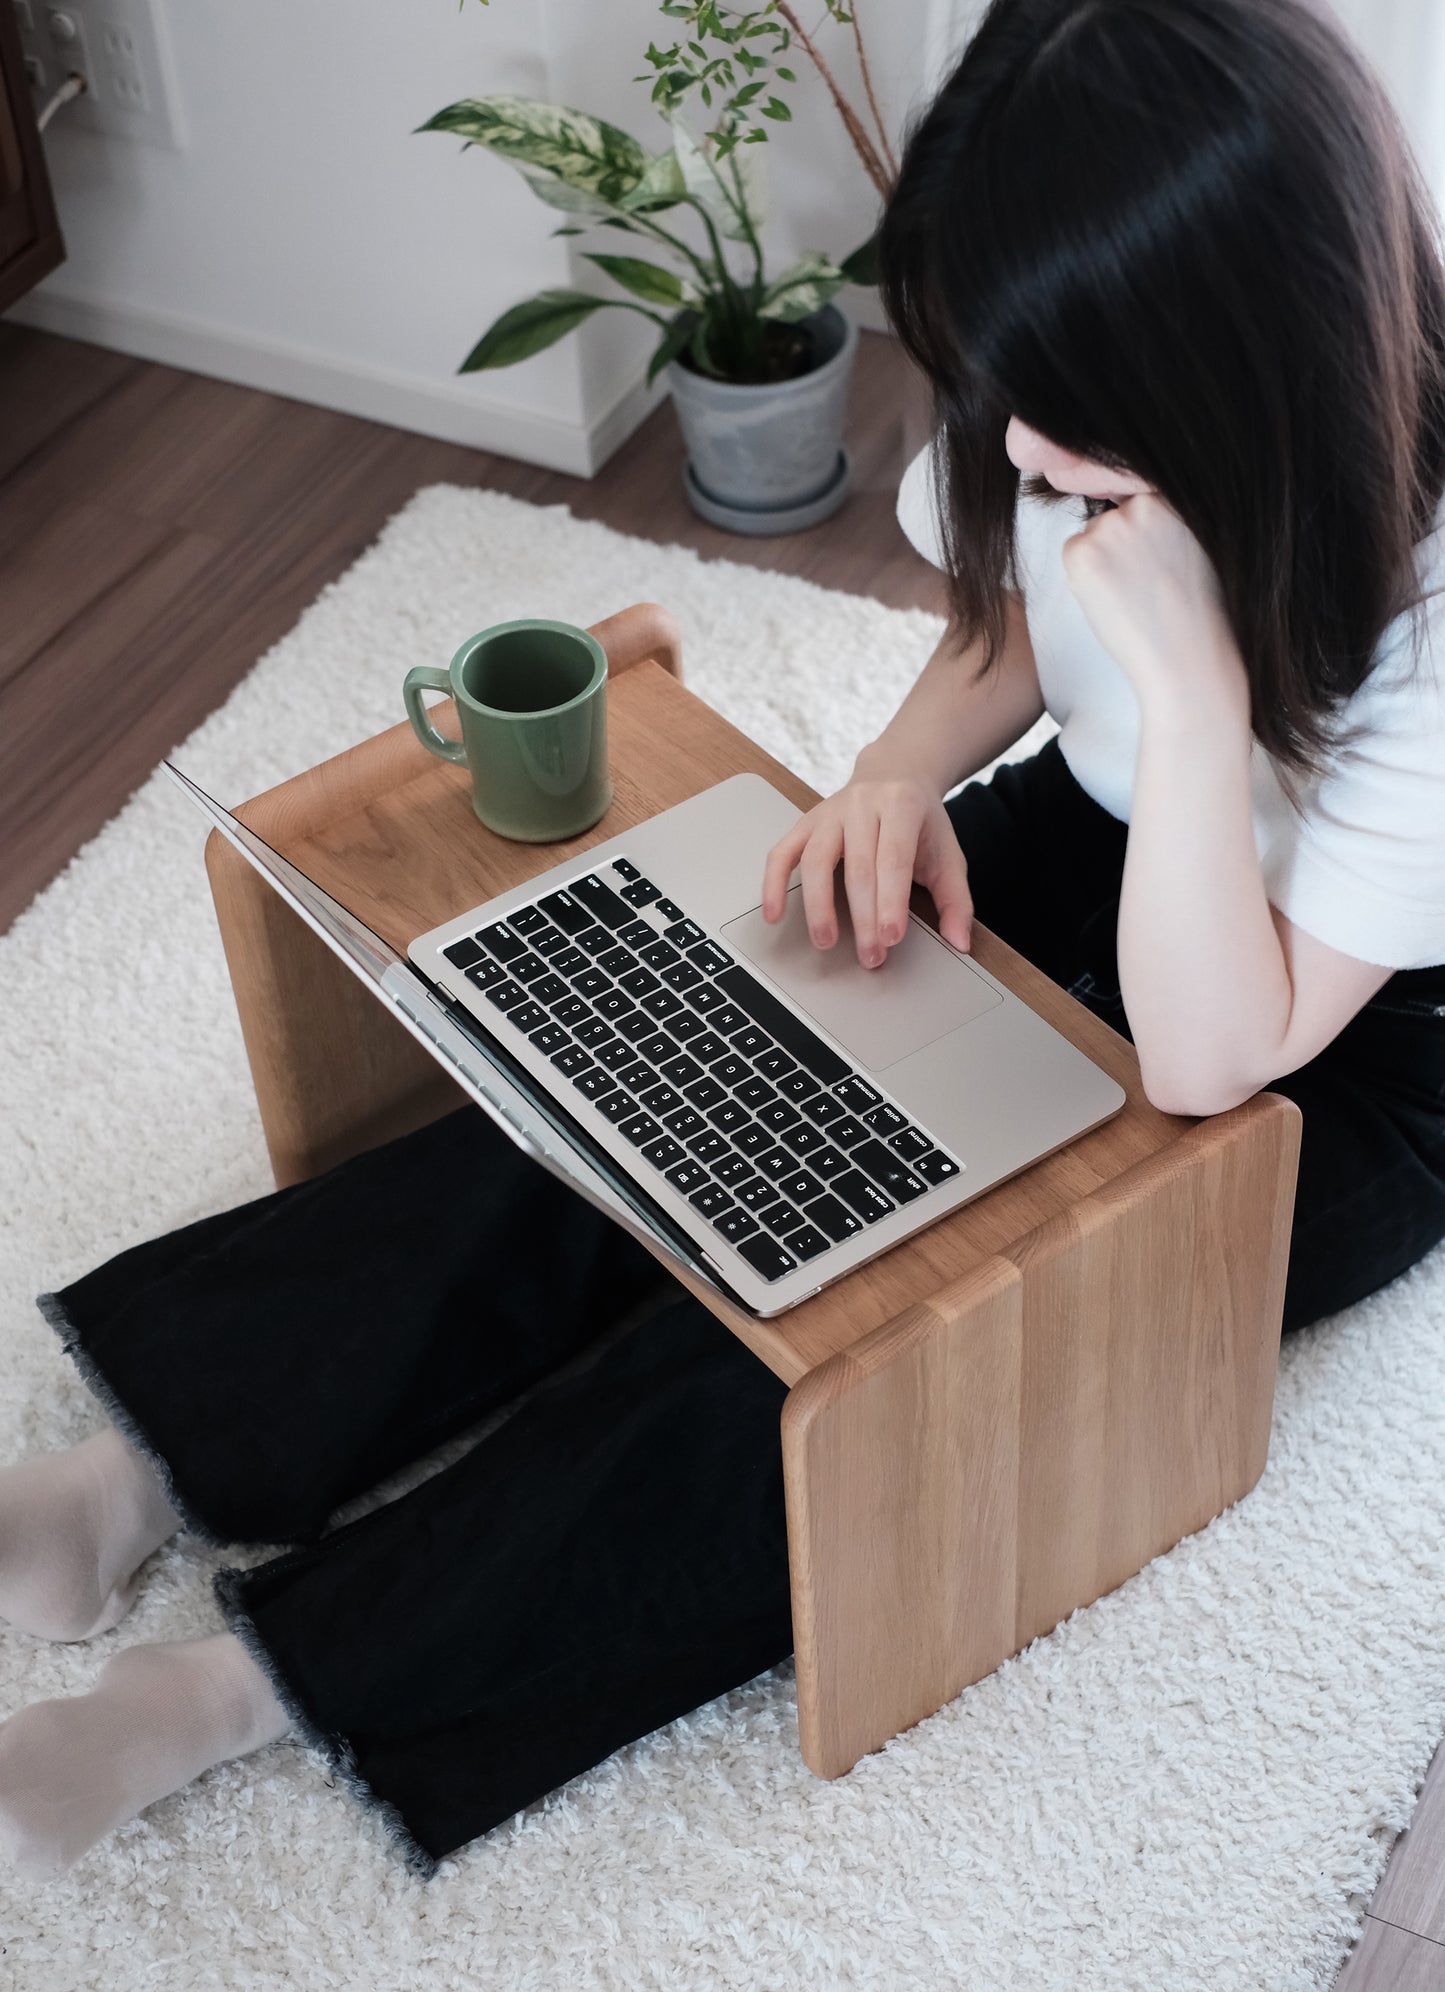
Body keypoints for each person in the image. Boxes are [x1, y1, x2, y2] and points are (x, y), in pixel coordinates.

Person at [3, 0, 1443, 1883]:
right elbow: (1010, 630)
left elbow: (1209, 1056)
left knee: (854, 1359)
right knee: (666, 1072)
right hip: (1093, 837)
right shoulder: (1062, 407)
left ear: (1222, 390)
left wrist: (1188, 692)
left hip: (1332, 1046)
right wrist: (892, 773)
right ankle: (147, 1466)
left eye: (1069, 449)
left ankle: (249, 1689)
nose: (1009, 448)